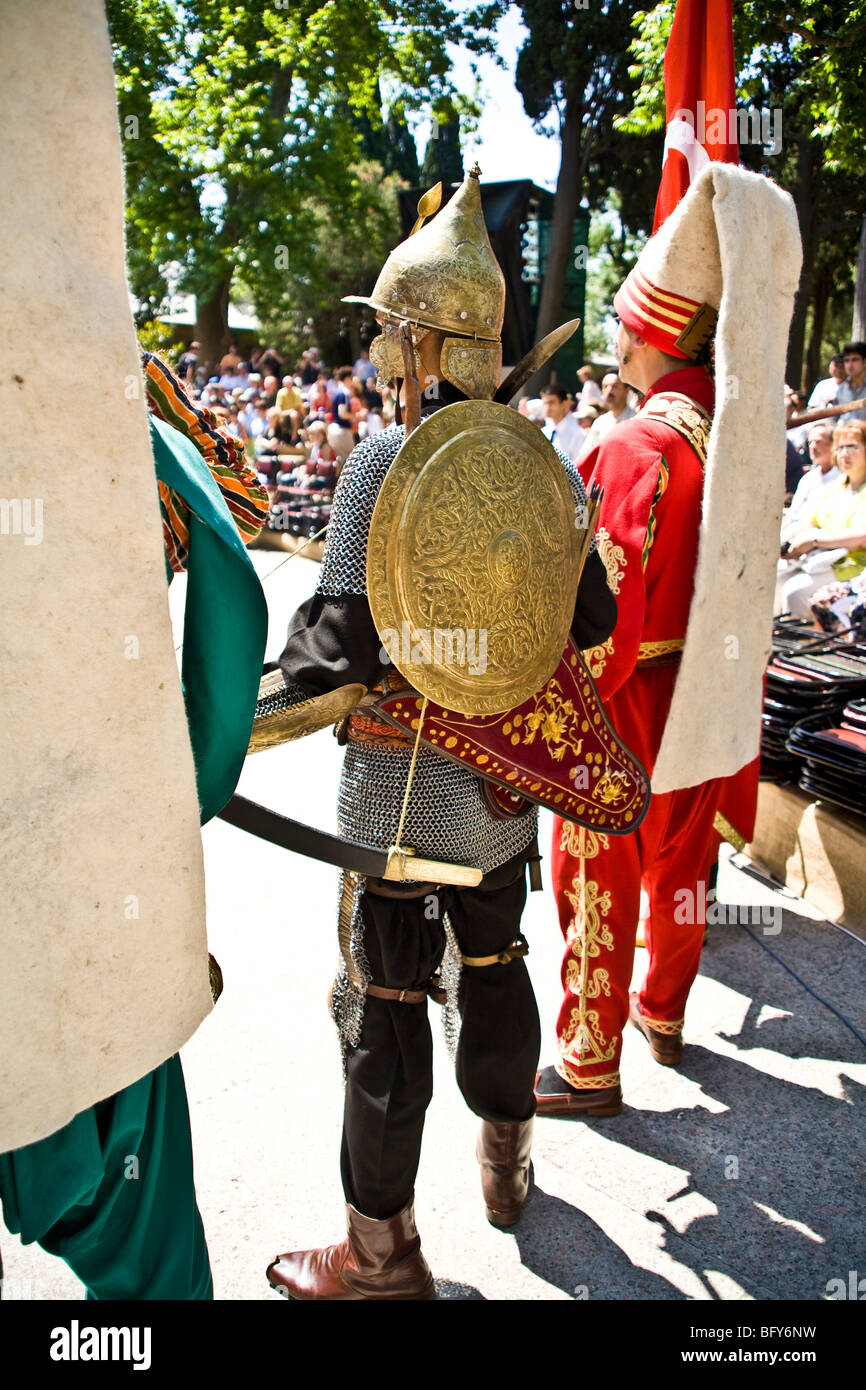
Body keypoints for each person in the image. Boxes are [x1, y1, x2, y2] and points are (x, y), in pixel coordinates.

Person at [261, 164, 617, 1299]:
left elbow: (329, 660)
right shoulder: (541, 466)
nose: (379, 356)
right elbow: (594, 618)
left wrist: (216, 729)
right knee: (499, 966)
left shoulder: (381, 462)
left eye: (388, 336)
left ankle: (379, 1257)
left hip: (404, 800)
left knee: (387, 1007)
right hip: (499, 807)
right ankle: (505, 1165)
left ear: (419, 341)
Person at [535, 161, 801, 1115]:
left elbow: (603, 623)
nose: (613, 339)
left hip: (629, 703)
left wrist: (548, 711)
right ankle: (663, 1016)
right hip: (711, 696)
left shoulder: (632, 445)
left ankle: (588, 1061)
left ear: (649, 333)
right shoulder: (729, 443)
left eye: (619, 323)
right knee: (683, 870)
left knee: (594, 865)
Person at [779, 421, 866, 620]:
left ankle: (814, 642)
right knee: (773, 580)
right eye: (841, 447)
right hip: (819, 561)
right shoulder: (834, 488)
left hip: (854, 568)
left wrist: (815, 541)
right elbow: (810, 521)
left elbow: (862, 536)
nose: (844, 453)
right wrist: (784, 541)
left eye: (852, 447)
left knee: (795, 592)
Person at [577, 371, 636, 460]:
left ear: (627, 390)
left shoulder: (636, 420)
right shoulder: (600, 422)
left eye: (615, 386)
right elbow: (585, 455)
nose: (609, 390)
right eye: (605, 386)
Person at [540, 382, 586, 461]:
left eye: (551, 402)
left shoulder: (577, 434)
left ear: (564, 404)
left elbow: (577, 467)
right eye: (545, 403)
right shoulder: (544, 432)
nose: (547, 407)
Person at [327, 366, 356, 463]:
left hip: (334, 429)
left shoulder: (337, 392)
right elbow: (342, 413)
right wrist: (356, 415)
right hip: (342, 431)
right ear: (347, 378)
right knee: (350, 461)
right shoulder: (344, 393)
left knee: (339, 461)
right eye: (352, 377)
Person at [836, 341, 866, 424]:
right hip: (844, 433)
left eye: (855, 360)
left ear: (865, 361)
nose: (850, 365)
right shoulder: (841, 390)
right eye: (847, 360)